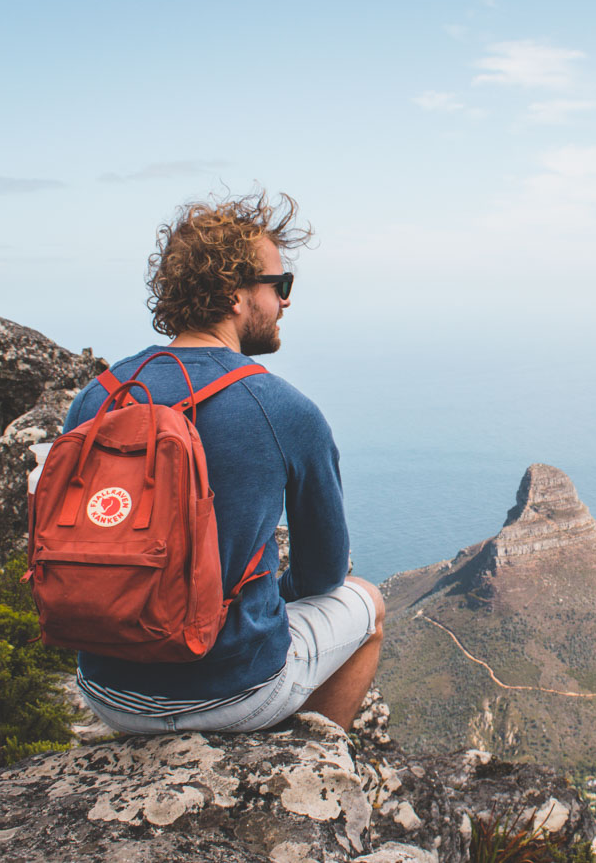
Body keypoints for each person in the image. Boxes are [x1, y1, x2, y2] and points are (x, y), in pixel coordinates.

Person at [63, 190, 383, 734]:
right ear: (236, 295)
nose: (286, 302)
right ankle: (318, 764)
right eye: (280, 286)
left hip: (107, 688)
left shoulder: (99, 395)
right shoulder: (283, 409)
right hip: (231, 690)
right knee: (368, 603)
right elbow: (324, 573)